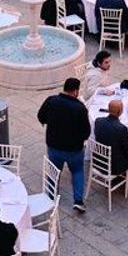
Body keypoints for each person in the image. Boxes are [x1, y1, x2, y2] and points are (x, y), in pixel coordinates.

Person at [37, 77, 91, 213]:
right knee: (77, 171)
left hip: (54, 146)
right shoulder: (80, 108)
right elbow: (86, 132)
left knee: (54, 171)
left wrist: (49, 122)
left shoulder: (51, 101)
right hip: (74, 149)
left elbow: (41, 116)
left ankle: (51, 195)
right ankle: (78, 201)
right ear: (75, 91)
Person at [94, 99, 128, 190]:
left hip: (98, 159)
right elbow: (127, 150)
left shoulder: (98, 121)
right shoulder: (121, 129)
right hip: (114, 165)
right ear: (120, 112)